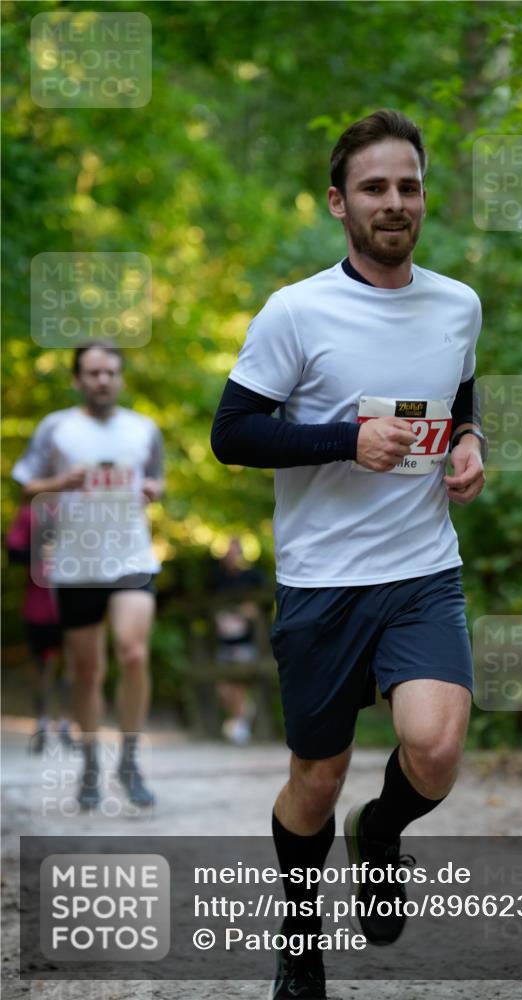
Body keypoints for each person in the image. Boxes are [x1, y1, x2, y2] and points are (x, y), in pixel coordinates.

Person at [211, 109, 487, 999]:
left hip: (420, 573)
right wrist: (341, 440)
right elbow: (233, 435)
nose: (393, 201)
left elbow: (461, 393)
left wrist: (471, 440)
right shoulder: (295, 311)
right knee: (314, 776)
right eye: (373, 187)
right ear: (339, 202)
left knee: (435, 750)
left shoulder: (457, 303)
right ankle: (300, 946)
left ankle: (383, 829)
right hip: (321, 582)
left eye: (407, 185)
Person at [12, 342, 164, 810]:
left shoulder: (143, 428)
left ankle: (131, 759)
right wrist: (61, 483)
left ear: (119, 378)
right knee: (87, 672)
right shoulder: (57, 427)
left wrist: (152, 490)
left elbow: (156, 480)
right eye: (94, 373)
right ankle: (93, 764)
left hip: (131, 559)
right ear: (78, 379)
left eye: (111, 372)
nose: (103, 381)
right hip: (76, 565)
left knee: (134, 653)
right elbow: (25, 484)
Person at [6, 504, 74, 753]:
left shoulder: (81, 510)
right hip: (38, 606)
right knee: (41, 666)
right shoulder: (29, 513)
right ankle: (43, 722)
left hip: (73, 603)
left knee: (73, 666)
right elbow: (13, 552)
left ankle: (66, 723)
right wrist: (42, 553)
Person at [213, 536, 266, 744]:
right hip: (224, 640)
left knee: (239, 684)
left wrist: (248, 611)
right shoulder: (218, 580)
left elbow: (261, 605)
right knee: (222, 686)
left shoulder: (252, 578)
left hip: (245, 641)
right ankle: (242, 716)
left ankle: (239, 726)